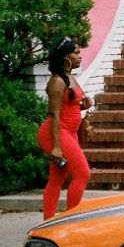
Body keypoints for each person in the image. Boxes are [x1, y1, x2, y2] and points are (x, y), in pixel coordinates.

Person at [37, 36, 91, 220]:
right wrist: (57, 147)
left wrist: (83, 106)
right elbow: (55, 115)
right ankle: (71, 220)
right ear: (65, 56)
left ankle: (49, 219)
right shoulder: (57, 82)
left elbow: (69, 107)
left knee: (57, 178)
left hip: (69, 132)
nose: (80, 56)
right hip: (56, 134)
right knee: (83, 174)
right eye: (76, 53)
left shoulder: (69, 77)